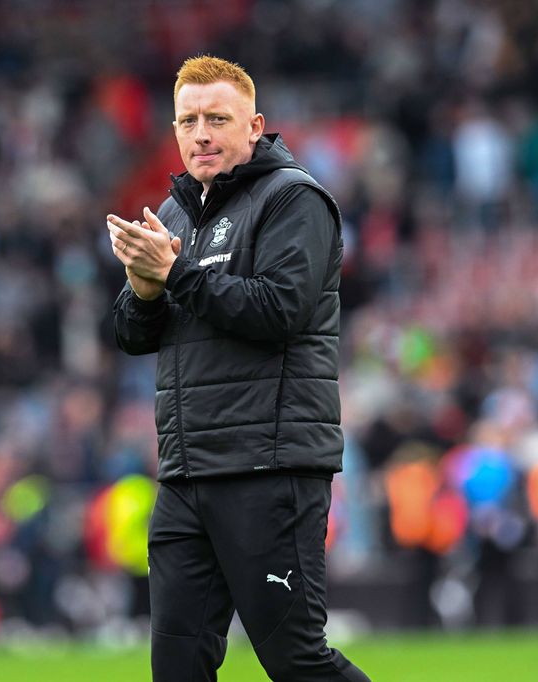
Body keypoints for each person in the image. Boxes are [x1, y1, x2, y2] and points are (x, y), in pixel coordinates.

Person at [108, 55, 370, 682]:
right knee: (176, 670)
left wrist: (173, 275)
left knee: (294, 660)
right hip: (186, 471)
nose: (201, 133)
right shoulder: (172, 217)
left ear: (253, 127)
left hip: (268, 465)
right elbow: (131, 335)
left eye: (217, 118)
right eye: (188, 120)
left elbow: (276, 311)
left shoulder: (294, 200)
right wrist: (144, 291)